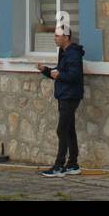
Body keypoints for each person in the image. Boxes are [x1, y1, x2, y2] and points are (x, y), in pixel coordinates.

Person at [38, 20, 85, 177]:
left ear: (66, 37)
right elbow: (59, 73)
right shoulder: (63, 53)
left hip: (70, 96)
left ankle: (59, 166)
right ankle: (73, 164)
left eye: (57, 36)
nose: (54, 38)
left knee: (62, 130)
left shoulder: (73, 53)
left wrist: (60, 75)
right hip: (64, 94)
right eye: (54, 35)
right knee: (69, 130)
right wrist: (46, 70)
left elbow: (74, 75)